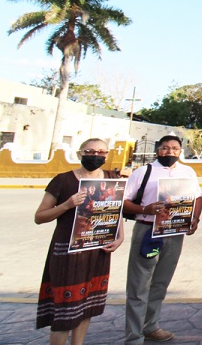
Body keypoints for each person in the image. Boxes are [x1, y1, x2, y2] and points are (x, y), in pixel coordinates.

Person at [35, 139, 123, 345]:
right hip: (68, 252)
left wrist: (120, 236)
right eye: (90, 151)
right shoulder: (63, 181)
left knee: (86, 306)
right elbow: (40, 217)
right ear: (80, 153)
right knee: (65, 311)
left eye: (101, 151)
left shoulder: (111, 178)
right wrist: (67, 204)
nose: (96, 155)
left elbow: (114, 211)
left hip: (97, 250)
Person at [122, 135, 202, 344]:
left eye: (175, 149)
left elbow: (197, 197)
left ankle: (151, 326)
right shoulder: (143, 172)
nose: (170, 152)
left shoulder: (187, 172)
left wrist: (194, 218)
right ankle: (133, 336)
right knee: (139, 285)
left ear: (180, 151)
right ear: (158, 150)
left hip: (173, 233)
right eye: (165, 148)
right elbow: (123, 202)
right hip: (147, 230)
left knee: (160, 283)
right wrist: (144, 209)